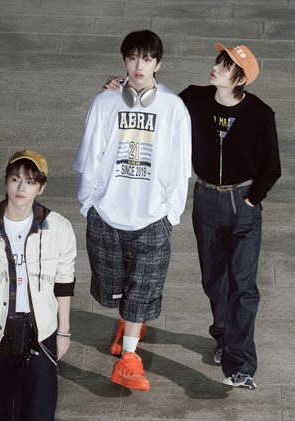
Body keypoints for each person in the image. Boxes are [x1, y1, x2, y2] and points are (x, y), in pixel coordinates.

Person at [104, 42, 281, 389]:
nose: (216, 68)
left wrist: (251, 200)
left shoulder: (261, 114)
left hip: (243, 205)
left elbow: (271, 168)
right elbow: (155, 99)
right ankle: (223, 335)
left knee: (243, 288)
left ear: (240, 79)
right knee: (213, 279)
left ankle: (240, 365)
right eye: (218, 61)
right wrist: (119, 85)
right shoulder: (194, 98)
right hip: (206, 201)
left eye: (226, 66)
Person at [74, 30, 191, 391]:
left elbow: (180, 164)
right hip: (107, 214)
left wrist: (171, 214)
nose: (139, 66)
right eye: (132, 58)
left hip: (152, 217)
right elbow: (91, 155)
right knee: (113, 289)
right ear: (124, 61)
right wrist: (89, 204)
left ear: (158, 64)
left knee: (143, 289)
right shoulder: (105, 102)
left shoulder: (172, 107)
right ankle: (129, 322)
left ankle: (128, 358)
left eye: (147, 59)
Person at [0, 149, 77, 421]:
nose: (21, 188)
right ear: (6, 182)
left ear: (41, 187)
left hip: (42, 330)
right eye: (15, 179)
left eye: (30, 182)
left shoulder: (59, 228)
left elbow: (64, 284)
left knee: (39, 413)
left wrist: (63, 332)